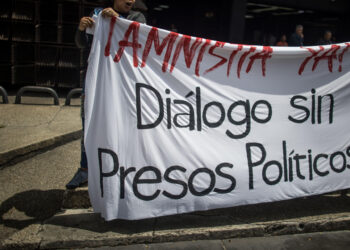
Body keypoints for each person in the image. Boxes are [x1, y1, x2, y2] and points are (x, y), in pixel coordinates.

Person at [66, 0, 146, 189]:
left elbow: (140, 39)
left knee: (126, 124)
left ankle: (125, 168)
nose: (131, 1)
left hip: (123, 83)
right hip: (97, 79)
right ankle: (85, 170)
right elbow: (82, 44)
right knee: (90, 122)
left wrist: (118, 21)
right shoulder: (97, 14)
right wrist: (81, 29)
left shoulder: (137, 17)